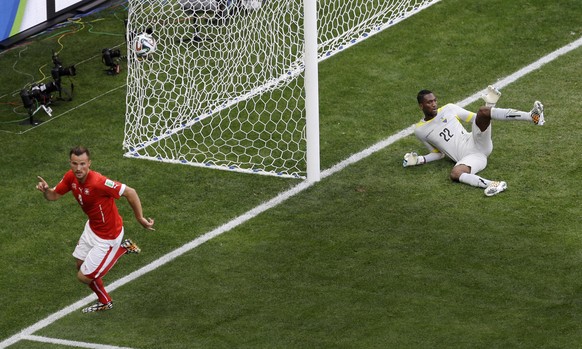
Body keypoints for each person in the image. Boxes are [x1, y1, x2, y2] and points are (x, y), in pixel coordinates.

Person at [36, 146, 155, 313]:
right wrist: (45, 190)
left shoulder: (99, 182)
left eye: (82, 164)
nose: (78, 168)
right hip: (92, 228)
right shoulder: (71, 177)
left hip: (108, 236)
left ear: (89, 163)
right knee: (80, 265)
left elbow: (130, 192)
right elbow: (53, 195)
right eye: (75, 163)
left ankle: (122, 248)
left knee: (84, 277)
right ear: (70, 163)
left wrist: (140, 218)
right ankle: (105, 301)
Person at [403, 87, 545, 196]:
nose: (434, 104)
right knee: (455, 174)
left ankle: (532, 116)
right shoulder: (420, 131)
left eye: (435, 100)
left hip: (475, 141)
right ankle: (493, 184)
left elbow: (476, 118)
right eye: (429, 102)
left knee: (483, 112)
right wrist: (419, 160)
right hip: (472, 157)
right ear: (421, 106)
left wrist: (489, 106)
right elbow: (438, 154)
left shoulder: (449, 109)